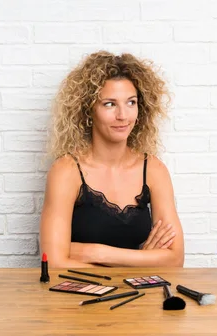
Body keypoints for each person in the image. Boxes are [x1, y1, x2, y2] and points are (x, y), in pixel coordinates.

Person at [39, 51, 184, 268]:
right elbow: (53, 263)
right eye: (109, 104)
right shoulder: (67, 171)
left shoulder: (153, 169)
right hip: (78, 298)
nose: (123, 115)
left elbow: (175, 259)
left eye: (131, 102)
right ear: (89, 110)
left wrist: (97, 253)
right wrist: (142, 259)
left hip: (140, 299)